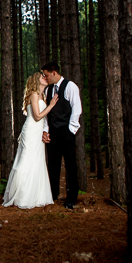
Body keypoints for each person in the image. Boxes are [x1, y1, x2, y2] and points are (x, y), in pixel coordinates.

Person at [2, 72, 59, 209]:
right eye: (42, 77)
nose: (45, 78)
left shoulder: (42, 95)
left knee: (37, 161)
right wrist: (51, 105)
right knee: (25, 161)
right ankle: (21, 195)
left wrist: (45, 132)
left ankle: (36, 195)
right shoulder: (34, 94)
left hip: (38, 132)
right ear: (36, 81)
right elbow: (38, 116)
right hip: (31, 131)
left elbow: (43, 120)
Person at [41, 62, 82, 210]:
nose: (45, 78)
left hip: (66, 131)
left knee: (70, 165)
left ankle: (71, 198)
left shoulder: (70, 86)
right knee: (53, 164)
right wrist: (45, 131)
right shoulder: (48, 90)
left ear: (54, 73)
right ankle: (52, 194)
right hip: (52, 133)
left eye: (46, 75)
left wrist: (70, 130)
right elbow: (47, 113)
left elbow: (76, 109)